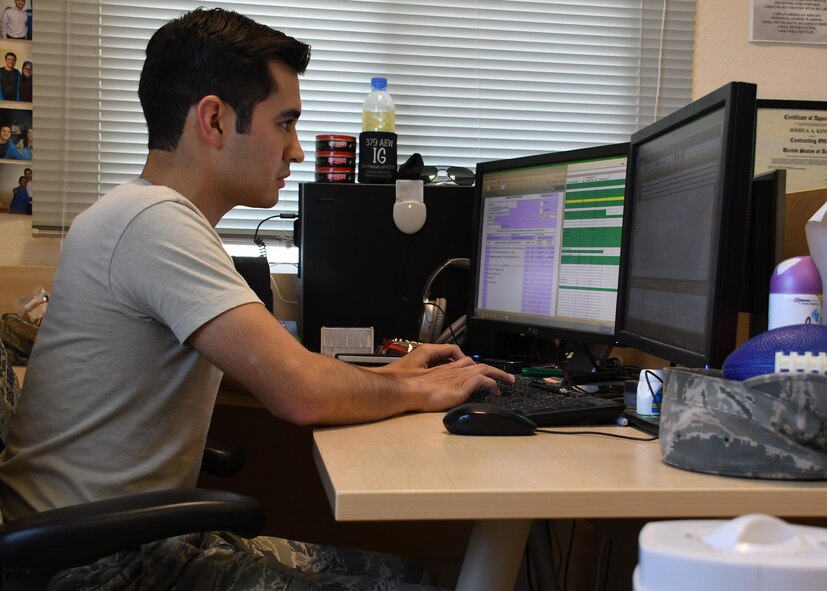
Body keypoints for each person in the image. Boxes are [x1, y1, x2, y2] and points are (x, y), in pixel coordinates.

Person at [0, 7, 513, 590]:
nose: (296, 151)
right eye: (284, 123)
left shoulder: (139, 213)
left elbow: (267, 369)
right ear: (215, 120)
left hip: (95, 541)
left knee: (416, 574)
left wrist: (395, 376)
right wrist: (416, 389)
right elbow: (299, 393)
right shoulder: (155, 225)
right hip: (97, 566)